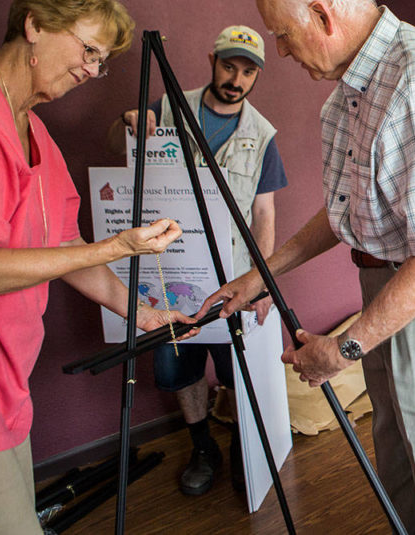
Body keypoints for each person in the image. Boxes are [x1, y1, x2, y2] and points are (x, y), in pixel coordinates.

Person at [204, 0, 415, 534]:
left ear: (322, 14)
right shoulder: (353, 87)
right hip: (394, 282)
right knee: (402, 461)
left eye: (284, 34)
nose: (283, 50)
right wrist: (259, 274)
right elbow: (348, 209)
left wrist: (342, 348)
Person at [0, 0, 193, 535]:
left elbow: (65, 244)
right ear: (35, 25)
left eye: (102, 60)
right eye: (88, 50)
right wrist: (112, 246)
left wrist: (144, 314)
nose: (92, 70)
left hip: (5, 385)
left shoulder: (36, 132)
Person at [107, 25, 288, 495]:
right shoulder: (167, 108)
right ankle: (202, 444)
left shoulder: (262, 134)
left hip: (233, 276)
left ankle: (243, 446)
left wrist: (262, 281)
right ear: (212, 59)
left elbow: (264, 212)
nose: (237, 78)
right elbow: (114, 149)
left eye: (248, 71)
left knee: (236, 370)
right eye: (229, 66)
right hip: (172, 273)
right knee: (179, 366)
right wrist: (125, 123)